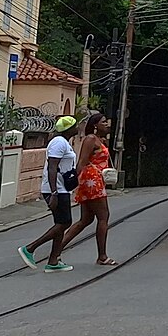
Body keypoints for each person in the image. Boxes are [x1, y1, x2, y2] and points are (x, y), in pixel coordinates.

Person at [19, 116, 79, 273]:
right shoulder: (59, 143)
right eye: (75, 125)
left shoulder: (64, 143)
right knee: (65, 223)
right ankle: (30, 248)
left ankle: (53, 260)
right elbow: (52, 167)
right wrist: (54, 193)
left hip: (62, 188)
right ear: (69, 129)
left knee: (60, 223)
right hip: (56, 189)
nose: (78, 127)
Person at [59, 113, 116, 265]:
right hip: (92, 181)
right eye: (104, 122)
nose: (107, 125)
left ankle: (56, 250)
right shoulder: (90, 139)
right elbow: (82, 161)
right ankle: (102, 256)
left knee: (86, 220)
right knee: (103, 217)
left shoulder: (100, 140)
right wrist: (72, 182)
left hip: (94, 181)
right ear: (96, 125)